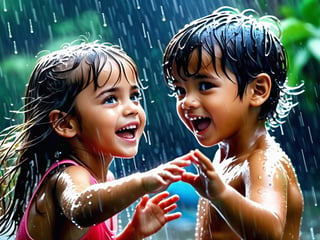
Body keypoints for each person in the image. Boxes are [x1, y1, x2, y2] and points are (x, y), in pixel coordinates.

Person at [0, 40, 191, 240]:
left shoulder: (106, 181)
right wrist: (142, 181)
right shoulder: (67, 176)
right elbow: (79, 208)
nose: (132, 108)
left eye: (134, 96)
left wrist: (133, 233)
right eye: (110, 99)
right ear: (66, 123)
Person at [162, 6, 304, 240]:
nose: (187, 102)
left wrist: (220, 194)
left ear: (257, 90)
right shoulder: (224, 157)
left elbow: (270, 233)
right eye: (180, 90)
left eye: (205, 86)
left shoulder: (262, 162)